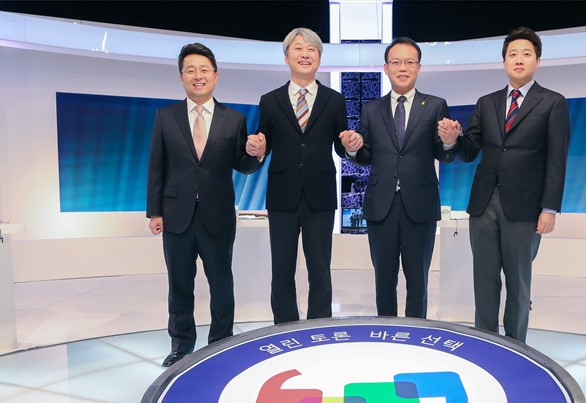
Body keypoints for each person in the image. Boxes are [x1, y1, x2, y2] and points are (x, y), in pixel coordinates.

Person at [147, 43, 262, 367]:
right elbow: (156, 166)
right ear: (182, 76)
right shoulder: (165, 117)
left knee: (221, 282)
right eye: (190, 70)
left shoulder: (234, 119)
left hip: (218, 214)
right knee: (179, 284)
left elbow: (242, 164)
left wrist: (256, 154)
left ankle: (221, 343)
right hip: (176, 215)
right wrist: (154, 211)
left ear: (215, 75)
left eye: (204, 70)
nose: (197, 76)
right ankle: (181, 346)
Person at [456, 26, 570, 342]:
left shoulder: (553, 103)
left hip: (525, 207)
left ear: (537, 61)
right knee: (484, 279)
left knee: (518, 282)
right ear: (504, 61)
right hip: (483, 205)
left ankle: (516, 346)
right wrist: (454, 139)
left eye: (526, 54)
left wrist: (549, 208)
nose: (519, 60)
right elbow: (469, 150)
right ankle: (486, 341)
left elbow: (557, 159)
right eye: (512, 54)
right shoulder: (487, 102)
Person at [246, 28, 362, 324]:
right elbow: (264, 141)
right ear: (286, 57)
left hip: (320, 195)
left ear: (319, 59)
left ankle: (318, 327)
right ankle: (284, 328)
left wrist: (349, 146)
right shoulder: (270, 100)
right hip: (282, 195)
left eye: (312, 50)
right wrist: (258, 149)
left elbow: (340, 144)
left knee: (320, 269)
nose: (305, 54)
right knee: (281, 269)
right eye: (298, 49)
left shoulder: (334, 100)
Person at [349, 36, 461, 318]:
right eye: (396, 62)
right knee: (384, 280)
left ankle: (416, 334)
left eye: (409, 62)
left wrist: (450, 142)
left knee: (418, 280)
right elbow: (366, 156)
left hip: (420, 204)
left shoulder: (435, 105)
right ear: (386, 68)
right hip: (381, 205)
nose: (402, 68)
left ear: (419, 68)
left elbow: (443, 154)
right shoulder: (371, 109)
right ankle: (386, 332)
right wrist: (353, 149)